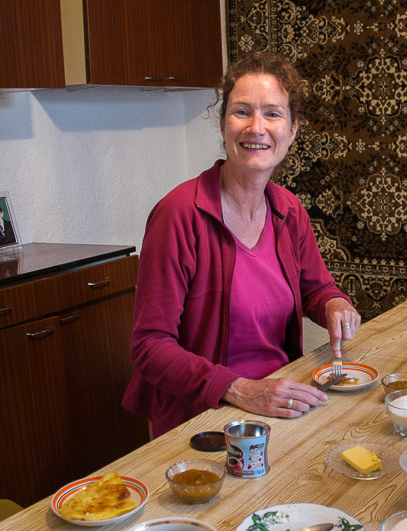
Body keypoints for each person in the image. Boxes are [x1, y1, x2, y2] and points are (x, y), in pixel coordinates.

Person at [123, 52, 361, 438]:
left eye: (272, 113)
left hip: (280, 399)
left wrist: (335, 304)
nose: (256, 127)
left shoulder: (288, 209)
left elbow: (317, 289)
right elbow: (150, 346)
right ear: (222, 125)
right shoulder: (179, 214)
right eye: (241, 112)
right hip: (202, 418)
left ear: (292, 130)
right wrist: (242, 389)